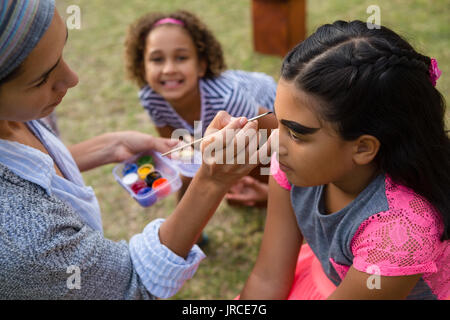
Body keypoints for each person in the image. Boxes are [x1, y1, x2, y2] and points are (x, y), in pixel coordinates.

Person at [0, 0, 270, 299]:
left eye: (62, 51)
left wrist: (110, 146)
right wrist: (214, 180)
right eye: (42, 78)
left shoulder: (25, 111)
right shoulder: (25, 240)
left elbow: (42, 165)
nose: (72, 79)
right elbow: (133, 283)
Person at [239, 20, 450, 300]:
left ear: (363, 148)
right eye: (278, 122)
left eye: (297, 133)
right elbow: (268, 277)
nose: (274, 142)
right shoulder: (292, 163)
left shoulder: (399, 234)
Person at [124, 9, 278, 205]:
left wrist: (268, 187)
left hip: (271, 117)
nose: (169, 69)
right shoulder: (151, 98)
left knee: (254, 170)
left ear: (201, 66)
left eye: (181, 58)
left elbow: (280, 135)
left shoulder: (227, 99)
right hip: (241, 136)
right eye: (157, 59)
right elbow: (181, 155)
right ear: (142, 67)